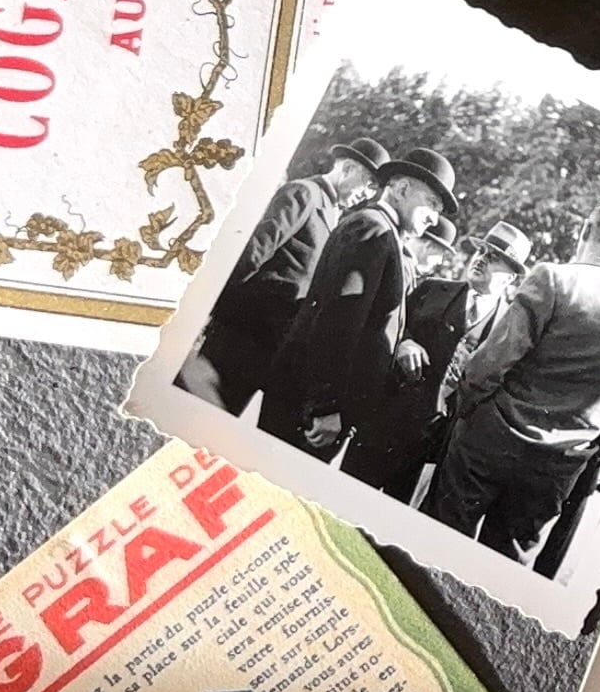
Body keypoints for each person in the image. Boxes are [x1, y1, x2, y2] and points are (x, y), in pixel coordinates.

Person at [429, 197, 600, 565]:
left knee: (434, 543)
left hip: (488, 441)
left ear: (586, 230)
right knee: (498, 569)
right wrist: (583, 446)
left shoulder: (554, 279)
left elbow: (489, 364)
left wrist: (467, 411)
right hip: (556, 467)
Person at [261, 145, 462, 464]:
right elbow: (337, 320)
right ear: (403, 189)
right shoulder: (372, 229)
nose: (434, 217)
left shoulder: (384, 232)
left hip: (321, 405)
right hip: (311, 406)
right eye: (432, 203)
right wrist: (325, 405)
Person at [176, 135, 382, 417]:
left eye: (374, 189)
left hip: (268, 342)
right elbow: (253, 254)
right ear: (348, 169)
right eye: (368, 183)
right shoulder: (304, 194)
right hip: (241, 332)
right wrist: (208, 310)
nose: (369, 194)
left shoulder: (333, 213)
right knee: (196, 408)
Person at [343, 217, 534, 500]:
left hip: (435, 450)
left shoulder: (511, 328)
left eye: (494, 257)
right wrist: (404, 341)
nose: (481, 259)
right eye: (481, 251)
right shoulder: (432, 289)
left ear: (511, 277)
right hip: (383, 426)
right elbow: (385, 324)